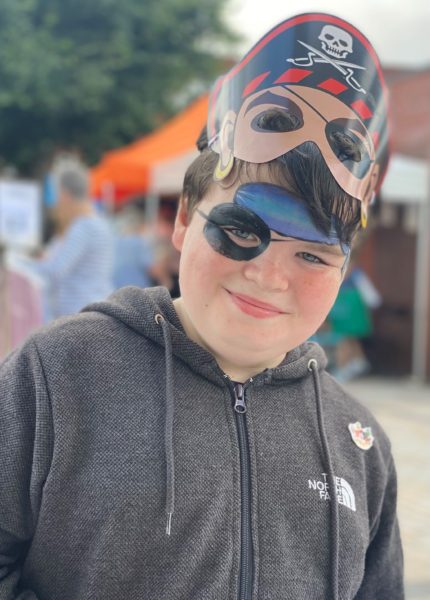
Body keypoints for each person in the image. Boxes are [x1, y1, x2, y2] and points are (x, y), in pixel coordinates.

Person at [0, 13, 403, 600]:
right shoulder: (56, 376)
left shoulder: (358, 443)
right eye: (242, 229)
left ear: (343, 270)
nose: (268, 275)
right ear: (186, 219)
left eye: (313, 256)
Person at [18, 158, 114, 321]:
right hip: (90, 313)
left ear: (64, 194)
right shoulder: (99, 224)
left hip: (80, 316)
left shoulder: (84, 227)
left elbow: (55, 270)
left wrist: (20, 263)